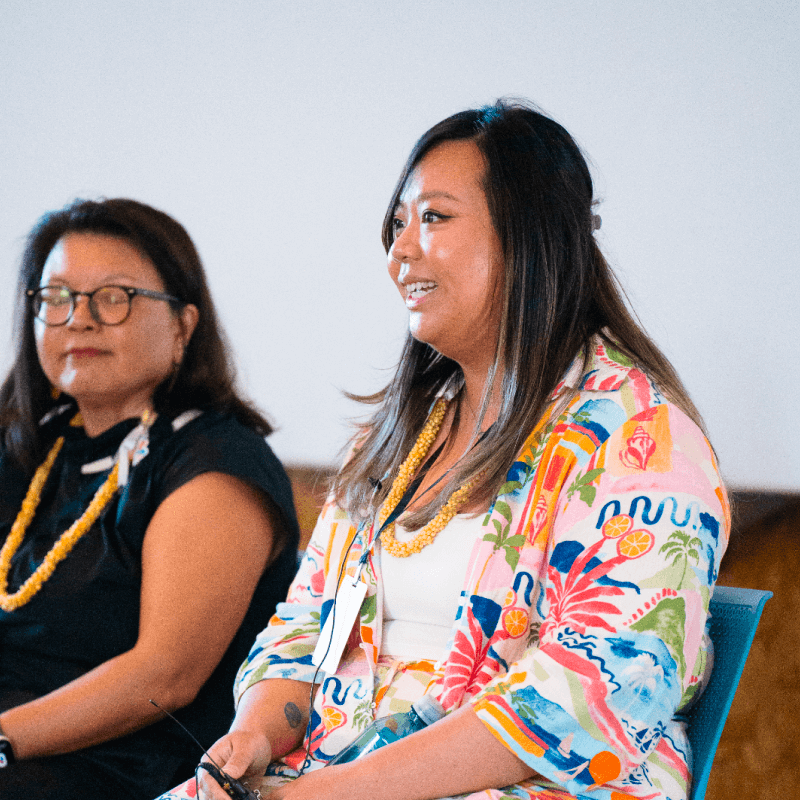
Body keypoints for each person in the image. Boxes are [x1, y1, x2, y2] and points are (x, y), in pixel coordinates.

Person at [163, 101, 729, 800]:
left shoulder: (642, 437)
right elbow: (305, 625)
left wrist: (338, 792)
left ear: (530, 236)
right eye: (397, 226)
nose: (399, 253)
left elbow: (592, 692)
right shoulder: (397, 437)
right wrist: (253, 735)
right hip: (330, 773)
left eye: (432, 218)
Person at [0, 198, 300, 800]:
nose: (79, 320)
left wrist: (3, 737)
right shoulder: (31, 447)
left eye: (114, 297)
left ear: (183, 326)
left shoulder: (216, 460)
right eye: (56, 297)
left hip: (123, 766)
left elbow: (163, 677)